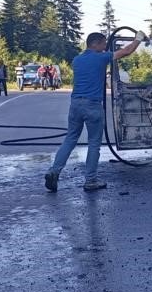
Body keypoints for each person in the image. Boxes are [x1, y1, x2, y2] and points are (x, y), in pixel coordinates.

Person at [44, 31, 145, 192]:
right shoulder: (101, 58)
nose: (106, 47)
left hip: (75, 104)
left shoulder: (77, 60)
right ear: (95, 44)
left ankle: (54, 171)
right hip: (92, 105)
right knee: (94, 144)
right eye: (104, 44)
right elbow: (126, 51)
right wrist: (138, 39)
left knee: (70, 139)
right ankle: (90, 180)